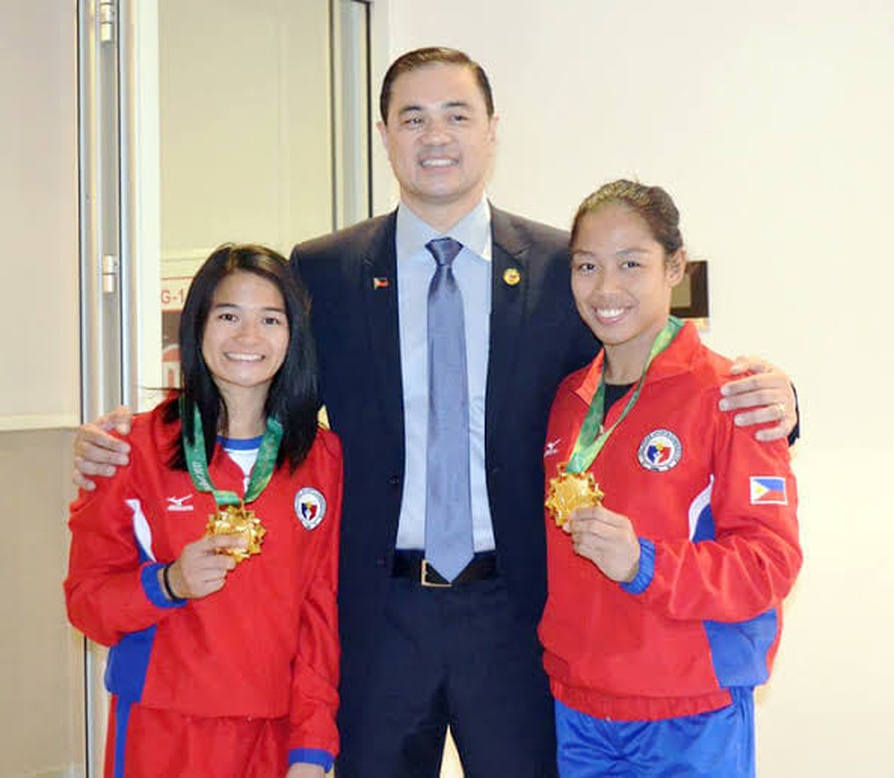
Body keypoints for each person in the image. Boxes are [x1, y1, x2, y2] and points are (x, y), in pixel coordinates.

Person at [71, 49, 799, 778]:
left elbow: (637, 373)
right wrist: (133, 433)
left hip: (519, 612)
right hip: (380, 612)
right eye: (412, 118)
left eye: (457, 115)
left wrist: (781, 403)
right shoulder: (325, 269)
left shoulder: (558, 267)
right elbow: (257, 379)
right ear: (385, 134)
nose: (436, 136)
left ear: (491, 131)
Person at [539, 180, 802, 777]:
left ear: (675, 267)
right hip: (579, 708)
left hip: (689, 708)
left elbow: (770, 562)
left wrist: (645, 563)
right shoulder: (566, 401)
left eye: (631, 263)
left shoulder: (732, 395)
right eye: (587, 266)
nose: (606, 289)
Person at [65, 245, 342, 778]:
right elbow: (86, 604)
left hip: (273, 732)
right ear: (197, 328)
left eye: (270, 319)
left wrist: (311, 747)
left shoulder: (320, 459)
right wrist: (166, 583)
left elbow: (320, 616)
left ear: (293, 336)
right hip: (162, 728)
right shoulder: (130, 449)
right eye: (228, 316)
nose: (248, 337)